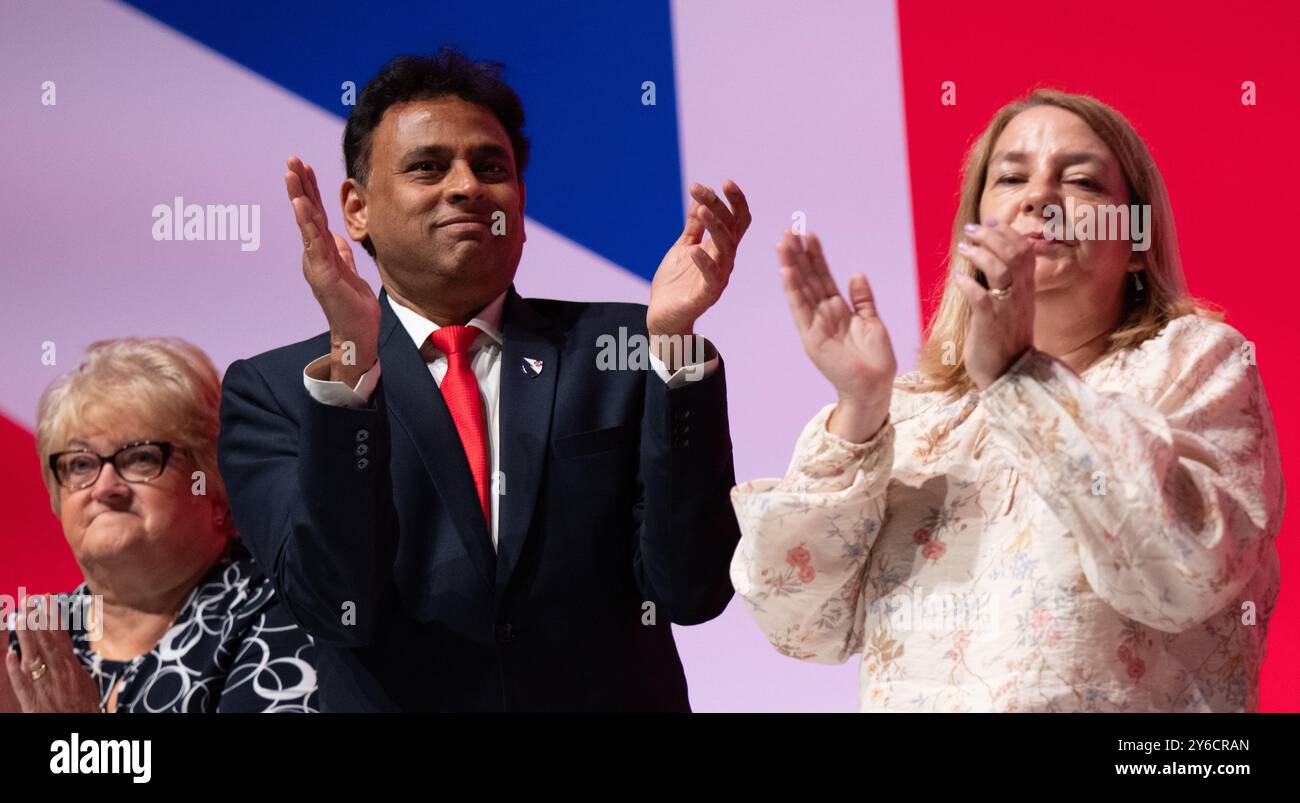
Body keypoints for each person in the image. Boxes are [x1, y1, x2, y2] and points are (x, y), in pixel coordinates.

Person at [217, 48, 748, 711]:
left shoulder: (627, 349)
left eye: (490, 167)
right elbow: (337, 607)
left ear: (520, 201)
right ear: (356, 208)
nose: (467, 186)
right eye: (427, 167)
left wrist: (673, 347)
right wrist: (353, 363)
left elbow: (692, 592)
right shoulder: (274, 392)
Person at [730, 89, 1283, 712]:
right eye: (1012, 177)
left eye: (1081, 182)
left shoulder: (1194, 361)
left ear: (1134, 242)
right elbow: (800, 624)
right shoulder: (917, 413)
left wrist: (1020, 377)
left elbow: (1185, 575)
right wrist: (859, 409)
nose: (1039, 197)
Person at [1, 337, 318, 713]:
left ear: (214, 480)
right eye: (80, 464)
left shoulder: (284, 615)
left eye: (140, 458)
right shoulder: (33, 635)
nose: (105, 487)